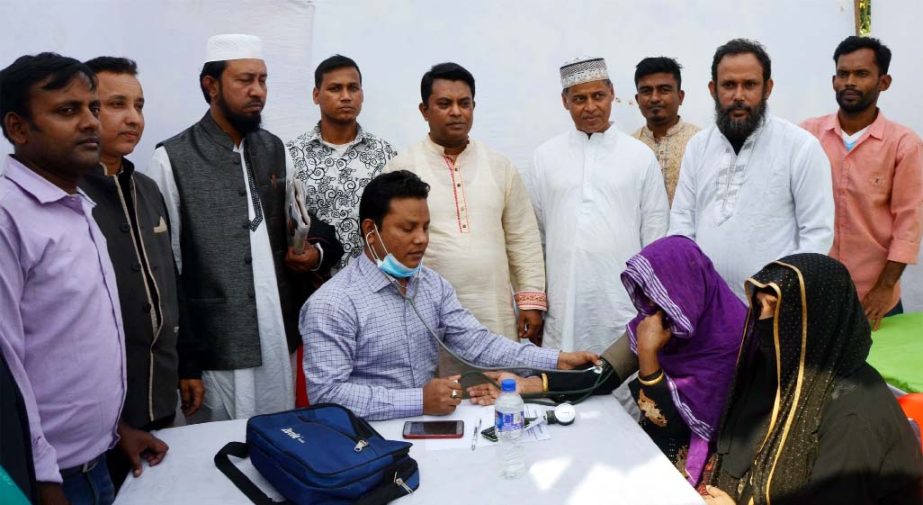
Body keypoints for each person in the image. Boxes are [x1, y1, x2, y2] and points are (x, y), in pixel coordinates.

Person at [145, 34, 340, 422]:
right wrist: (186, 361)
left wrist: (312, 251)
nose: (257, 92)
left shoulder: (274, 149)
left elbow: (303, 222)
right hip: (216, 344)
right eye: (245, 80)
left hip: (277, 335)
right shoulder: (171, 159)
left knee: (279, 437)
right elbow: (169, 269)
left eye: (263, 80)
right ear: (211, 86)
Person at [0, 52, 165, 505]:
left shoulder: (75, 204)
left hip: (100, 463)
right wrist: (45, 483)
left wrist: (117, 431)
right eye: (67, 111)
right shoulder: (8, 218)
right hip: (46, 483)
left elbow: (70, 347)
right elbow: (6, 373)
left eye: (93, 108)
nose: (91, 122)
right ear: (18, 127)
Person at [300, 170, 597, 420]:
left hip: (431, 428)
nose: (421, 239)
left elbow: (478, 344)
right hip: (365, 440)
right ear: (370, 231)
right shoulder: (332, 304)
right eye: (408, 228)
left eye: (426, 227)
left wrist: (556, 360)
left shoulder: (431, 285)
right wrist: (418, 400)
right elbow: (328, 395)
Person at [468, 236, 747, 486]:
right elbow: (601, 375)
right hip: (655, 450)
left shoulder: (732, 338)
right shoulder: (660, 319)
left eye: (660, 295)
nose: (649, 305)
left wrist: (649, 358)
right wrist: (527, 385)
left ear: (685, 288)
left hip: (711, 468)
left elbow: (671, 423)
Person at [702, 254, 923, 505]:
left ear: (817, 318)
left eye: (774, 307)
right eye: (759, 305)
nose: (761, 319)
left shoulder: (856, 416)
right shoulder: (787, 376)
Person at [384, 62, 546, 343]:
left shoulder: (500, 166)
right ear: (424, 111)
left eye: (464, 103)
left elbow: (523, 238)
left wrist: (530, 301)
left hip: (494, 310)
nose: (456, 112)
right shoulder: (401, 170)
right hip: (427, 311)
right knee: (438, 383)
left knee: (496, 381)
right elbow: (387, 246)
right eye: (444, 104)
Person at [77, 57, 178, 488]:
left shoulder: (148, 189)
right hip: (97, 413)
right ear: (85, 112)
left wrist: (186, 366)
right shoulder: (70, 194)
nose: (133, 118)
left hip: (160, 392)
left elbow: (170, 283)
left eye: (138, 105)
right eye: (116, 104)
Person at [669, 39, 834, 300]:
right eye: (729, 85)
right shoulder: (698, 147)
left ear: (767, 88)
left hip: (776, 309)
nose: (738, 96)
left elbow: (817, 234)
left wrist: (780, 292)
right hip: (708, 309)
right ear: (713, 89)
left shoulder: (800, 147)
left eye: (750, 85)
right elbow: (681, 223)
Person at [524, 56, 669, 353]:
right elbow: (533, 237)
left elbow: (656, 234)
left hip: (623, 302)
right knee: (566, 387)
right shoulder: (544, 157)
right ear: (565, 102)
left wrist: (654, 302)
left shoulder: (639, 156)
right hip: (564, 302)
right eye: (579, 99)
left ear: (612, 94)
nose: (590, 106)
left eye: (598, 96)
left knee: (622, 386)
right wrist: (535, 300)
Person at [801, 36, 923, 330]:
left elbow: (909, 223)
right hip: (816, 294)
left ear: (884, 81)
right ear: (833, 81)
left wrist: (884, 288)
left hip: (876, 300)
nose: (850, 82)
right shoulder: (807, 136)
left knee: (881, 374)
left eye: (862, 74)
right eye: (843, 74)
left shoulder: (904, 145)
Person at [287, 55, 397, 273]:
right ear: (316, 95)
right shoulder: (292, 155)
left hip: (373, 285)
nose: (346, 97)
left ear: (362, 94)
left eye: (353, 88)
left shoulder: (385, 155)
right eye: (335, 89)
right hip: (311, 285)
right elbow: (287, 223)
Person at [632, 57, 700, 205]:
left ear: (680, 97)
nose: (655, 98)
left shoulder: (700, 142)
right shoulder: (628, 148)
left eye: (664, 90)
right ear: (637, 100)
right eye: (646, 91)